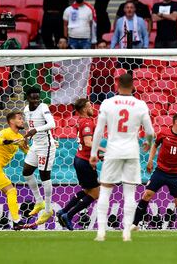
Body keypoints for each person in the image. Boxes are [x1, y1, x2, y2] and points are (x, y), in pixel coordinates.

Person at [90, 73, 154, 242]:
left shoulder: (107, 103)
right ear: (133, 86)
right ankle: (126, 233)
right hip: (131, 152)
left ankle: (101, 232)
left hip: (112, 151)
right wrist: (147, 143)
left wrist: (93, 153)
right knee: (130, 194)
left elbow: (98, 130)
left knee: (105, 191)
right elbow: (150, 132)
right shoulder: (140, 104)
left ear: (117, 86)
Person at [131, 113, 177, 231]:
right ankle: (135, 224)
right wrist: (150, 160)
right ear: (176, 122)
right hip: (160, 171)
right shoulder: (163, 134)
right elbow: (155, 145)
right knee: (147, 195)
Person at [57, 99, 104, 230]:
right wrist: (105, 149)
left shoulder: (81, 121)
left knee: (87, 190)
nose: (92, 108)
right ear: (83, 109)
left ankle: (63, 211)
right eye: (89, 106)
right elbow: (88, 142)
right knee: (95, 193)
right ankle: (69, 215)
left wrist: (98, 155)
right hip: (84, 162)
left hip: (80, 159)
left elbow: (85, 145)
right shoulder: (87, 122)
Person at [22, 87, 57, 227]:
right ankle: (39, 201)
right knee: (26, 171)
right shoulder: (25, 110)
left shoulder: (43, 107)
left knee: (44, 176)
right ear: (28, 98)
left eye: (38, 98)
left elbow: (52, 124)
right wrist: (28, 137)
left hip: (46, 146)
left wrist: (36, 130)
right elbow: (30, 127)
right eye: (33, 98)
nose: (36, 101)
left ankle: (48, 209)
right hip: (35, 145)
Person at [90, 39, 116, 104]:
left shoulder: (112, 58)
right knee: (92, 96)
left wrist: (97, 71)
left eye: (104, 47)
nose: (102, 49)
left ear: (107, 48)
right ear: (96, 48)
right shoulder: (92, 59)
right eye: (100, 47)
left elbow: (110, 72)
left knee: (110, 95)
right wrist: (105, 70)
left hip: (108, 89)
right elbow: (92, 72)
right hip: (95, 90)